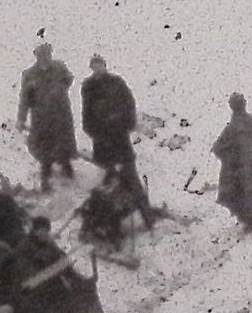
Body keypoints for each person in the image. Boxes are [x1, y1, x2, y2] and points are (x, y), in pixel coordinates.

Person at [79, 55, 155, 221]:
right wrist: (93, 132)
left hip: (120, 138)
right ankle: (111, 221)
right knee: (108, 181)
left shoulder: (117, 82)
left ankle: (147, 216)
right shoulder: (88, 86)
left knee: (130, 176)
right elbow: (87, 113)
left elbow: (129, 104)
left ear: (105, 66)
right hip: (102, 141)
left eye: (100, 65)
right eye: (94, 66)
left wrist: (126, 125)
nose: (98, 69)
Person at [16, 43, 78, 192]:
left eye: (47, 54)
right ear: (36, 56)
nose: (44, 58)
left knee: (63, 141)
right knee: (44, 145)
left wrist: (59, 92)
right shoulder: (29, 74)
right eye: (41, 55)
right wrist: (21, 118)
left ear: (50, 54)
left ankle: (66, 166)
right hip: (41, 116)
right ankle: (46, 171)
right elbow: (25, 98)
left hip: (61, 114)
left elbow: (69, 79)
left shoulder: (59, 67)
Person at [210, 92, 252, 235]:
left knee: (241, 193)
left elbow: (217, 148)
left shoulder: (232, 128)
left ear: (232, 107)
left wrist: (230, 157)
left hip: (239, 169)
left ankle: (249, 222)